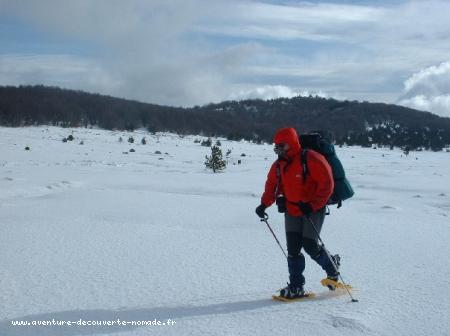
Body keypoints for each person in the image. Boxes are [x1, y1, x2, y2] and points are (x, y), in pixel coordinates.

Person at [255, 127, 340, 299]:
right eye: (276, 145)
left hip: (313, 209)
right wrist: (264, 204)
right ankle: (296, 286)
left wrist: (313, 204)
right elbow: (271, 186)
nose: (278, 149)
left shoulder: (311, 159)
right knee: (293, 249)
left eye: (282, 145)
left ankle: (332, 268)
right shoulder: (279, 165)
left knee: (310, 245)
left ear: (292, 144)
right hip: (291, 209)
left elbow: (327, 185)